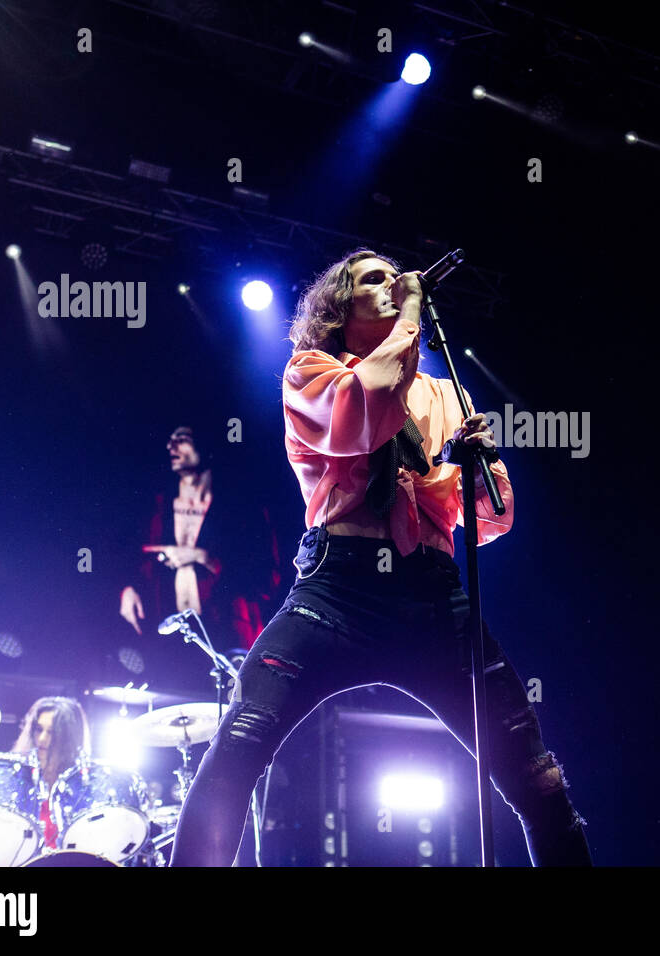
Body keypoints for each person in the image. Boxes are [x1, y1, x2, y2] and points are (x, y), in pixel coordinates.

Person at [171, 249, 592, 866]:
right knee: (239, 741)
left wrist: (476, 470)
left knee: (537, 776)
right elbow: (365, 414)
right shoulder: (311, 372)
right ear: (339, 307)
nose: (394, 283)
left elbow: (495, 516)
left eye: (398, 276)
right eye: (374, 278)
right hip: (335, 595)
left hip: (430, 599)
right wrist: (413, 310)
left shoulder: (445, 392)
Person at [118, 425, 281, 652]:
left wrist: (202, 557)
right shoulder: (160, 504)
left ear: (204, 446)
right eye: (170, 440)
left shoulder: (239, 508)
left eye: (182, 439)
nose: (171, 446)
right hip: (170, 634)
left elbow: (266, 575)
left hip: (225, 630)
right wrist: (129, 588)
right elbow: (132, 552)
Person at [11, 696, 91, 851]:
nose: (42, 738)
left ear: (69, 739)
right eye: (39, 730)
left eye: (52, 733)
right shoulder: (19, 778)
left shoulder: (83, 788)